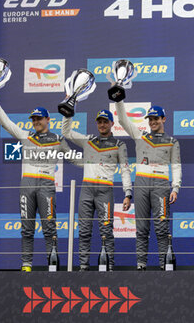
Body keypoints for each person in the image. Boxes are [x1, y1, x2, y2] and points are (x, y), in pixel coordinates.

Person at [0, 92, 78, 271]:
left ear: (48, 120)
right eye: (34, 119)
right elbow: (5, 123)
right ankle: (26, 265)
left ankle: (52, 265)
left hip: (46, 186)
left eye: (39, 118)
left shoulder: (58, 139)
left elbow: (73, 159)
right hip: (27, 186)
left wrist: (94, 163)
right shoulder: (26, 136)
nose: (36, 121)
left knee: (49, 228)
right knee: (26, 229)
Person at [62, 109, 132, 271]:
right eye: (99, 122)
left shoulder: (119, 145)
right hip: (86, 190)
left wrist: (128, 193)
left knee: (106, 231)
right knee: (84, 230)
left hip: (105, 191)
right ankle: (83, 267)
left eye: (105, 121)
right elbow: (65, 131)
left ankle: (109, 267)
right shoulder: (88, 140)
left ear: (112, 124)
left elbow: (125, 170)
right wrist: (68, 111)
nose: (102, 124)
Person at [115, 102, 182, 270]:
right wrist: (118, 99)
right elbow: (122, 120)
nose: (153, 122)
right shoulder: (140, 136)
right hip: (141, 184)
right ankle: (141, 265)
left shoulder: (172, 141)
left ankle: (164, 265)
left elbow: (176, 166)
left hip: (161, 185)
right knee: (141, 228)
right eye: (150, 119)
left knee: (161, 228)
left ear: (163, 119)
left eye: (156, 119)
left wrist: (175, 187)